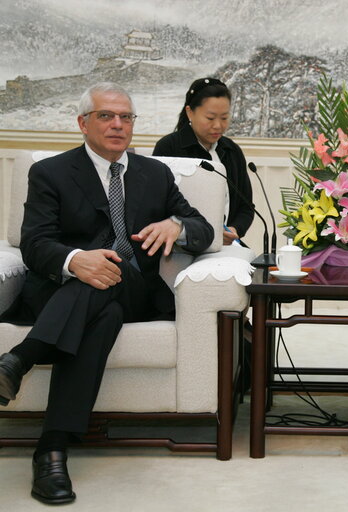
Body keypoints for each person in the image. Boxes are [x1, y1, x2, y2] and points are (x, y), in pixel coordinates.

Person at [0, 82, 214, 505]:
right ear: (83, 123)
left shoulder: (155, 173)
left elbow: (204, 229)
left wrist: (177, 226)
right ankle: (51, 450)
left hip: (136, 291)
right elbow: (35, 242)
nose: (118, 125)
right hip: (63, 291)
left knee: (111, 274)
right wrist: (75, 259)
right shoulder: (51, 172)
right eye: (106, 116)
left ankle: (19, 359)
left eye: (126, 117)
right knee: (102, 309)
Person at [153, 77, 253, 245]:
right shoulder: (169, 148)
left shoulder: (232, 151)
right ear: (190, 112)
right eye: (210, 118)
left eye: (224, 118)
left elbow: (246, 207)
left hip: (227, 246)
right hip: (182, 247)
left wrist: (235, 229)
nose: (218, 126)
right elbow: (157, 206)